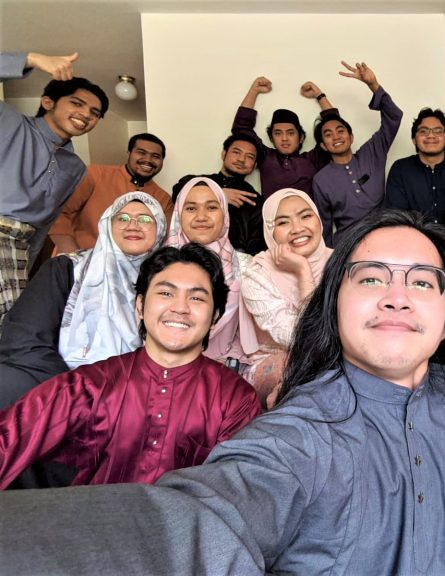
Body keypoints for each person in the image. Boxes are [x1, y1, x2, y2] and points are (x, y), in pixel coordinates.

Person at [0, 210, 445, 575]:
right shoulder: (299, 436)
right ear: (332, 308)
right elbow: (201, 522)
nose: (397, 297)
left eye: (423, 283)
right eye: (371, 278)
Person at [0, 243, 260, 488]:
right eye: (166, 293)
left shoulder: (235, 399)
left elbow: (238, 489)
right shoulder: (90, 385)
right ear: (140, 306)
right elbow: (11, 438)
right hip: (93, 519)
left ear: (215, 316)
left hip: (189, 522)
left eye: (196, 298)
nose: (180, 307)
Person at [0, 192, 166, 409]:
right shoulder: (66, 269)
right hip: (59, 386)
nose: (132, 225)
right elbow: (25, 341)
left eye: (145, 219)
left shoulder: (167, 284)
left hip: (135, 396)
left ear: (160, 229)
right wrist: (77, 393)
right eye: (122, 218)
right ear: (107, 224)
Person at [0, 51, 108, 322]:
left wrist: (30, 266)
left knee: (13, 325)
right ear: (48, 102)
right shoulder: (10, 122)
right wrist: (32, 60)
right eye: (77, 103)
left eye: (94, 113)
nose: (86, 115)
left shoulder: (75, 167)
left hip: (20, 249)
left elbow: (45, 224)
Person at [239, 188, 333, 406]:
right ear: (270, 231)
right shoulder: (257, 275)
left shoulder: (341, 263)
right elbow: (301, 337)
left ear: (319, 220)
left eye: (306, 216)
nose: (297, 228)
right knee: (298, 370)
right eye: (283, 222)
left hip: (333, 356)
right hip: (277, 362)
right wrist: (303, 272)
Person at [312, 60, 403, 247]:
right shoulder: (321, 180)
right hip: (347, 246)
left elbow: (394, 117)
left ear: (351, 137)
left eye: (340, 131)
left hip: (384, 240)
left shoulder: (372, 153)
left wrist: (373, 85)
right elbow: (324, 227)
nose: (336, 136)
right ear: (323, 146)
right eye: (328, 135)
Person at [166, 177, 252, 368]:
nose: (201, 216)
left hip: (226, 366)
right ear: (179, 214)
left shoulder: (247, 266)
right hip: (165, 363)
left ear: (225, 214)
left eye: (211, 207)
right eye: (191, 208)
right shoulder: (158, 266)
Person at [49, 133, 172, 254]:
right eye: (141, 152)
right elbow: (59, 211)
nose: (148, 160)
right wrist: (72, 255)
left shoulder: (163, 199)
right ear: (129, 153)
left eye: (156, 156)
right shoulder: (95, 175)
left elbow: (163, 238)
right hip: (80, 258)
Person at [231, 76, 338, 197]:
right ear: (271, 139)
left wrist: (319, 95)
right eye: (278, 133)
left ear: (301, 138)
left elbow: (335, 127)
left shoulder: (312, 159)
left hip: (306, 209)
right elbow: (241, 128)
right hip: (271, 210)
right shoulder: (266, 157)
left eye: (290, 133)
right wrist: (253, 91)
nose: (284, 138)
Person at [172, 132, 267, 255]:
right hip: (186, 252)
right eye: (236, 152)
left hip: (233, 258)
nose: (241, 159)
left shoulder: (255, 200)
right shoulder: (194, 181)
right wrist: (217, 193)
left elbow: (256, 245)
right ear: (223, 154)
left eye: (249, 157)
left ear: (254, 166)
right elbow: (177, 193)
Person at [385, 107, 445, 227]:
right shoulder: (400, 169)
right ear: (414, 140)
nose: (431, 135)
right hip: (415, 237)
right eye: (423, 131)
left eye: (438, 131)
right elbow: (396, 216)